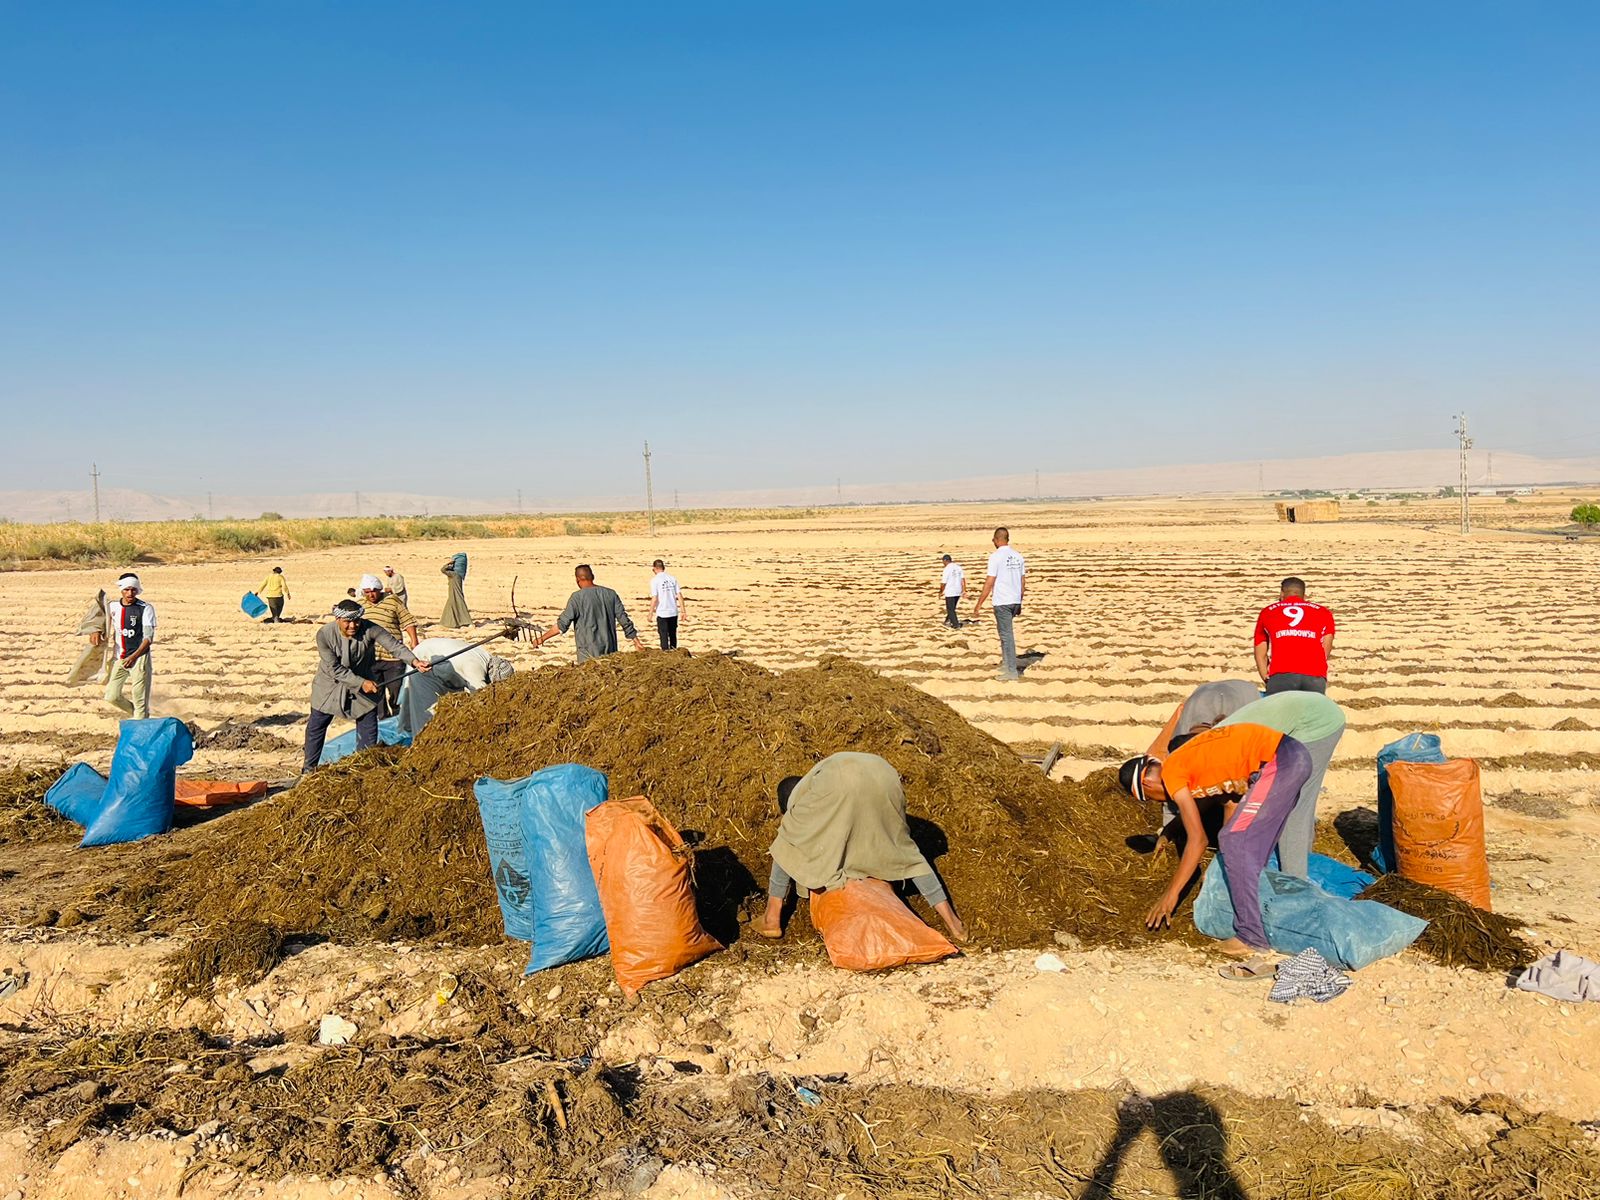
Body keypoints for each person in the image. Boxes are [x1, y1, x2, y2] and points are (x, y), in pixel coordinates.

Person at [1119, 723, 1312, 955]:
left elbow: (1198, 840)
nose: (1158, 802)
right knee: (1250, 854)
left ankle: (1251, 936)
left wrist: (1170, 896)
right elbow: (1225, 801)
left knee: (1234, 842)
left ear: (1147, 784)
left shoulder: (1172, 774)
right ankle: (1266, 920)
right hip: (1292, 757)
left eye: (1149, 798)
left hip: (1280, 761)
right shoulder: (1186, 763)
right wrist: (1169, 831)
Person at [759, 752, 967, 943]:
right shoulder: (817, 782)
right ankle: (954, 923)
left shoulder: (801, 801)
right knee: (906, 853)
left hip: (843, 779)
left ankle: (772, 917)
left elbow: (803, 843)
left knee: (788, 839)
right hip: (884, 775)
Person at [1217, 692, 1346, 880]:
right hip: (1313, 711)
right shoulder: (1212, 742)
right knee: (1299, 801)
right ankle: (1300, 857)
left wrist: (1224, 860)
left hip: (1316, 723)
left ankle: (1294, 883)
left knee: (1293, 805)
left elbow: (1233, 805)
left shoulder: (1217, 753)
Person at [303, 599, 429, 773]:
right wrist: (361, 683)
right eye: (348, 622)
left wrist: (414, 661)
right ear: (338, 619)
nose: (353, 626)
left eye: (356, 621)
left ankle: (363, 770)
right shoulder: (324, 634)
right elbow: (335, 669)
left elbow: (393, 646)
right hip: (330, 686)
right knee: (316, 727)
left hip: (364, 682)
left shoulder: (370, 628)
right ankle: (308, 770)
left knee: (369, 725)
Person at [396, 636, 515, 738]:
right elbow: (481, 698)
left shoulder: (487, 658)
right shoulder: (474, 669)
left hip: (447, 668)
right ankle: (420, 747)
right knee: (426, 716)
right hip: (425, 664)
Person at [534, 565, 643, 660]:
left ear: (577, 580)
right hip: (610, 653)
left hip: (587, 656)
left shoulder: (577, 598)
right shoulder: (611, 594)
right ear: (593, 577)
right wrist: (636, 642)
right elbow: (624, 620)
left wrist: (542, 638)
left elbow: (561, 625)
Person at [1253, 577, 1335, 695]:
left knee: (1281, 713)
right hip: (1315, 676)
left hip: (1281, 675)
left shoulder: (1268, 612)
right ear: (1304, 595)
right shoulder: (1323, 612)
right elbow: (1325, 648)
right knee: (1310, 713)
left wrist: (1266, 677)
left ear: (1282, 593)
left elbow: (1260, 652)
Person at [358, 574, 420, 717]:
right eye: (367, 592)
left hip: (393, 658)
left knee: (396, 692)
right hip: (370, 658)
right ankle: (383, 720)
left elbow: (408, 621)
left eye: (374, 591)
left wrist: (414, 640)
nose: (371, 595)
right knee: (376, 694)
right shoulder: (360, 606)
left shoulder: (392, 601)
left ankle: (399, 718)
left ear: (380, 589)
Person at [95, 573, 156, 718]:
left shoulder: (145, 608)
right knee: (111, 696)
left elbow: (148, 638)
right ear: (121, 590)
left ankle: (140, 721)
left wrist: (134, 657)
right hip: (120, 658)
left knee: (139, 697)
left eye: (133, 590)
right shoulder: (112, 606)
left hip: (139, 658)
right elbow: (99, 619)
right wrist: (96, 630)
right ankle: (141, 716)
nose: (130, 593)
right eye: (127, 589)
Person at [970, 527, 1026, 681]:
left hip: (1003, 601)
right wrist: (1019, 601)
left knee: (1007, 635)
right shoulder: (1018, 556)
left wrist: (978, 605)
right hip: (1014, 600)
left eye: (993, 540)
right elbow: (1023, 581)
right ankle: (1007, 664)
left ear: (997, 539)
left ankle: (1011, 671)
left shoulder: (995, 557)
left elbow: (989, 582)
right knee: (1004, 634)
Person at [649, 558, 684, 650]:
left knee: (663, 636)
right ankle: (674, 653)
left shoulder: (655, 580)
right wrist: (683, 611)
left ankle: (666, 655)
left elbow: (655, 598)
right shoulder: (672, 578)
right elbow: (679, 595)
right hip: (673, 611)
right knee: (673, 636)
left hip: (662, 613)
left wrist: (650, 613)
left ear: (655, 569)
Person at [439, 552, 471, 628]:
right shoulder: (458, 574)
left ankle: (466, 621)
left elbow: (443, 570)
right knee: (451, 607)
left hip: (454, 593)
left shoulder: (454, 574)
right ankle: (449, 623)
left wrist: (448, 564)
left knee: (458, 605)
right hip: (455, 592)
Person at [938, 554, 964, 628]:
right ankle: (947, 620)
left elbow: (943, 583)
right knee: (952, 607)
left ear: (945, 561)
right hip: (958, 590)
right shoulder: (958, 567)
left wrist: (940, 592)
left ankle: (955, 624)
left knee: (950, 609)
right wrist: (964, 589)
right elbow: (963, 579)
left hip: (950, 590)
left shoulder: (947, 569)